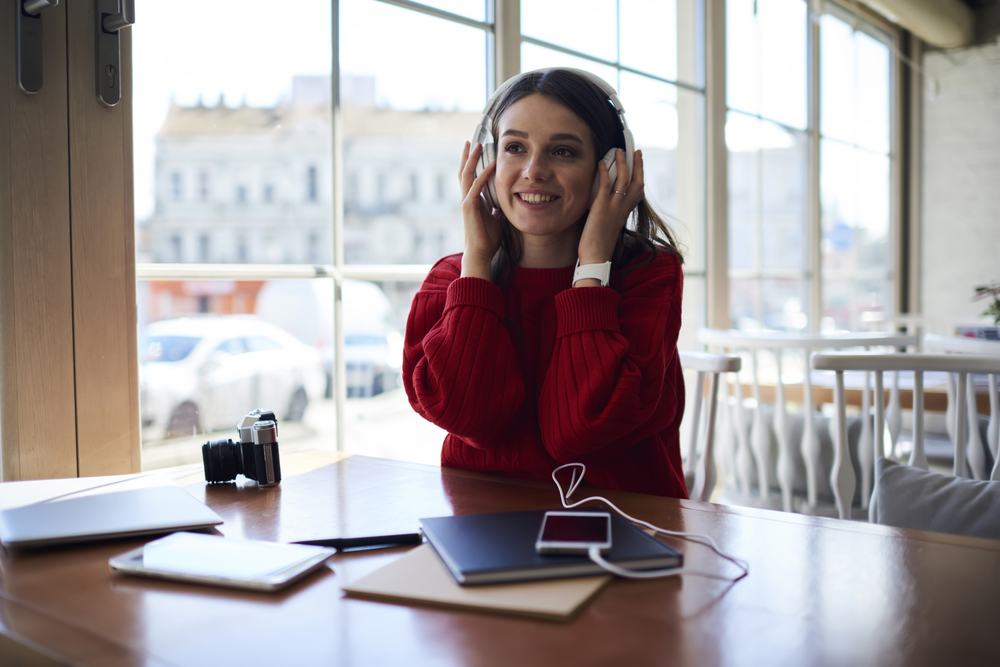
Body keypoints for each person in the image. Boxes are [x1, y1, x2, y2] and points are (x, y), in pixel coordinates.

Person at [402, 68, 687, 498]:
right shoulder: (451, 281)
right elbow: (469, 416)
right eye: (515, 147)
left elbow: (579, 432)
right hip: (483, 528)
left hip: (625, 528)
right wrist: (477, 264)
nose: (534, 171)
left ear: (609, 169)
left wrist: (593, 266)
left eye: (564, 152)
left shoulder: (649, 277)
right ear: (485, 162)